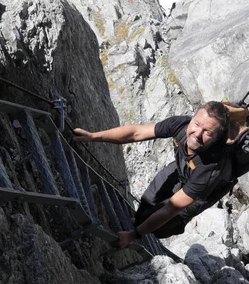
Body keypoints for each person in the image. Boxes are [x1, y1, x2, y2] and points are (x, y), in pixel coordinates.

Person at [73, 101, 233, 249]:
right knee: (148, 201)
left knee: (164, 226)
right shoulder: (181, 124)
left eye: (207, 132)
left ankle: (143, 233)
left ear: (217, 138)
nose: (197, 133)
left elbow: (171, 208)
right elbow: (136, 133)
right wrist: (94, 136)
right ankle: (139, 221)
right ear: (193, 118)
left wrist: (133, 235)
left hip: (202, 191)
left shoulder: (211, 168)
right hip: (183, 167)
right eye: (197, 124)